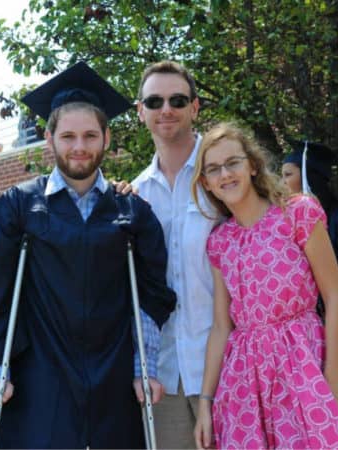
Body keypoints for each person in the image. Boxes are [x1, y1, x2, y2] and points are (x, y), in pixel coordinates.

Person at [0, 61, 176, 449]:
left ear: (106, 137)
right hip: (40, 372)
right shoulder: (19, 206)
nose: (79, 147)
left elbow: (151, 297)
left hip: (113, 372)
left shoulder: (132, 212)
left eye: (89, 136)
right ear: (49, 139)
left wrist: (142, 368)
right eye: (67, 136)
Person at [192, 122, 338, 449]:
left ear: (252, 165)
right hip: (244, 381)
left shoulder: (297, 213)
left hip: (303, 362)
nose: (225, 174)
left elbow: (336, 298)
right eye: (213, 169)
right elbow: (222, 326)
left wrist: (333, 378)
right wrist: (206, 403)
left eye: (233, 162)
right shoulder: (221, 242)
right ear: (206, 183)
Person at [131, 60, 217, 448]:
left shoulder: (225, 176)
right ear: (140, 111)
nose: (166, 109)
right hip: (163, 376)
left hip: (228, 366)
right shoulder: (134, 197)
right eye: (155, 101)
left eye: (177, 100)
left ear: (195, 107)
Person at [282, 141, 338, 406]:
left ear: (308, 175)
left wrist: (318, 271)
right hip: (310, 339)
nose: (281, 181)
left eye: (288, 174)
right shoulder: (286, 222)